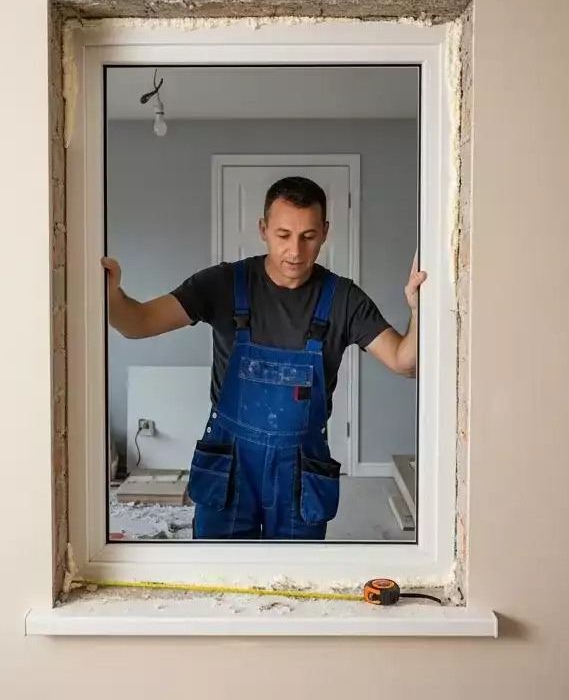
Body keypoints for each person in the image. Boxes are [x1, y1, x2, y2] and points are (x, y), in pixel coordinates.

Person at [102, 176, 427, 540]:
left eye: (309, 236)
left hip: (301, 470)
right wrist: (110, 294)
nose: (296, 251)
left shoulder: (343, 299)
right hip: (229, 464)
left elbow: (405, 362)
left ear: (325, 232)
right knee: (219, 576)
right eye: (283, 235)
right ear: (263, 229)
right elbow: (138, 322)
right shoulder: (223, 284)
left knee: (293, 581)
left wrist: (418, 309)